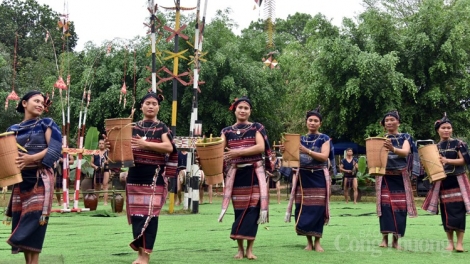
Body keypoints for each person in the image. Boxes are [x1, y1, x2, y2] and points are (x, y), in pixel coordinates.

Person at [105, 92, 178, 264]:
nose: (151, 106)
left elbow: (169, 147)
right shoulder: (131, 127)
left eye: (154, 103)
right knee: (137, 214)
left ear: (158, 107)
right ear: (141, 107)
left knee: (151, 215)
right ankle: (140, 254)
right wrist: (110, 145)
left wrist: (145, 144)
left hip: (154, 176)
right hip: (134, 175)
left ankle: (145, 256)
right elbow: (119, 149)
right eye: (148, 103)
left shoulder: (162, 128)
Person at [5, 91, 62, 264]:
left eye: (42, 103)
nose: (40, 104)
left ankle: (34, 262)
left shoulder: (46, 123)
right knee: (21, 216)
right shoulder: (12, 130)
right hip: (20, 179)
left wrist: (32, 158)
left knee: (36, 218)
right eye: (35, 101)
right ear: (24, 103)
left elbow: (55, 147)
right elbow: (7, 155)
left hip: (40, 176)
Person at [218, 96, 273, 260]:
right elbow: (219, 150)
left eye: (246, 108)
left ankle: (249, 249)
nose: (242, 110)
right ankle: (240, 250)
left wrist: (237, 152)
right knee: (239, 211)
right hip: (236, 176)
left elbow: (260, 147)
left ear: (250, 111)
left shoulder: (257, 127)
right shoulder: (226, 131)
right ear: (235, 110)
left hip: (255, 173)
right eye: (240, 107)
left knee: (253, 211)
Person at [282, 106, 335, 252]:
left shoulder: (324, 138)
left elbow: (324, 157)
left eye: (315, 121)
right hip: (303, 177)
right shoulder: (300, 139)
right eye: (310, 120)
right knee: (304, 208)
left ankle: (317, 241)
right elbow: (292, 159)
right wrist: (286, 151)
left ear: (320, 123)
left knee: (318, 208)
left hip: (318, 176)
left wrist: (306, 151)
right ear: (306, 122)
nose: (312, 123)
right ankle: (309, 242)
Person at [422, 113, 470, 252]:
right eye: (444, 128)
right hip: (442, 182)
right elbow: (431, 165)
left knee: (459, 212)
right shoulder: (434, 147)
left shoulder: (459, 144)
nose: (446, 130)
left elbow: (464, 161)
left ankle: (459, 243)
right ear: (438, 130)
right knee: (446, 212)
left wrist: (447, 161)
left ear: (452, 129)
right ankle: (450, 243)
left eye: (449, 127)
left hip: (458, 181)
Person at [376, 110, 419, 249]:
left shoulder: (405, 137)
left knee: (400, 207)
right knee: (385, 207)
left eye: (392, 119)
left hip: (400, 176)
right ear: (384, 124)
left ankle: (395, 241)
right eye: (387, 120)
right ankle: (384, 238)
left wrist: (392, 148)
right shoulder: (380, 139)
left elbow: (405, 152)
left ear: (398, 122)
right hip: (384, 177)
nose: (389, 122)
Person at [91, 139, 109, 205]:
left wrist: (107, 162)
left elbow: (111, 160)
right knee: (96, 185)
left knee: (105, 185)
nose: (101, 144)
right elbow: (91, 163)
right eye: (100, 143)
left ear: (104, 144)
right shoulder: (95, 153)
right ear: (98, 144)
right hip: (97, 169)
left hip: (105, 169)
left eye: (102, 143)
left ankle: (105, 202)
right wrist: (95, 166)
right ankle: (96, 201)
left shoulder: (107, 152)